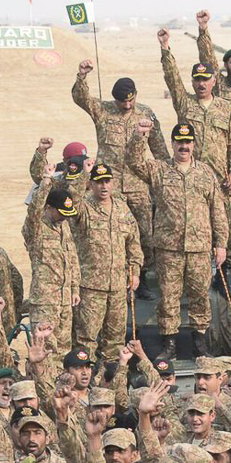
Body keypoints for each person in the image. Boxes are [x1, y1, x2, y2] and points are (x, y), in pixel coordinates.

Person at [127, 120, 228, 359]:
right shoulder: (160, 170)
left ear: (194, 144)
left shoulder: (205, 173)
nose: (184, 146)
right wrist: (139, 137)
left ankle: (200, 343)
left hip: (199, 248)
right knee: (169, 297)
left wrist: (221, 243)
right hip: (168, 247)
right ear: (172, 144)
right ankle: (169, 344)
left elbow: (217, 210)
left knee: (200, 296)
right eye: (180, 142)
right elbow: (135, 163)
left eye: (188, 142)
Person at [72, 60, 169, 299]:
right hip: (108, 184)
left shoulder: (145, 113)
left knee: (144, 233)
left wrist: (166, 173)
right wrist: (82, 77)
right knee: (110, 234)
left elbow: (158, 146)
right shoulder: (104, 111)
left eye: (130, 100)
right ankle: (115, 282)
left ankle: (142, 277)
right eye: (122, 101)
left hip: (138, 184)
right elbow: (81, 99)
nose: (127, 104)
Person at [158, 26, 231, 269]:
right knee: (194, 225)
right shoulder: (185, 105)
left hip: (221, 180)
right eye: (197, 80)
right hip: (191, 177)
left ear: (214, 81)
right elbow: (172, 79)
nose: (201, 84)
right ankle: (197, 274)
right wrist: (165, 49)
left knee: (224, 225)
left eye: (206, 80)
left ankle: (225, 276)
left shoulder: (226, 109)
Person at [72, 164, 143, 361]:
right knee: (86, 339)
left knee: (115, 341)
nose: (104, 186)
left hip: (118, 286)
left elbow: (134, 242)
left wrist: (135, 271)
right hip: (91, 286)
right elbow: (72, 199)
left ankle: (111, 382)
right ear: (91, 184)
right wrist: (83, 174)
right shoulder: (83, 207)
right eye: (98, 182)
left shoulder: (121, 208)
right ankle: (84, 381)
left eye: (107, 181)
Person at [21, 165, 81, 353]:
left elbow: (71, 259)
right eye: (61, 213)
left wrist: (74, 288)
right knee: (46, 350)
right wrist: (46, 181)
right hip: (45, 301)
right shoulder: (36, 227)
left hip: (64, 300)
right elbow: (34, 209)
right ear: (49, 208)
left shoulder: (63, 226)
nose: (64, 217)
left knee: (63, 350)